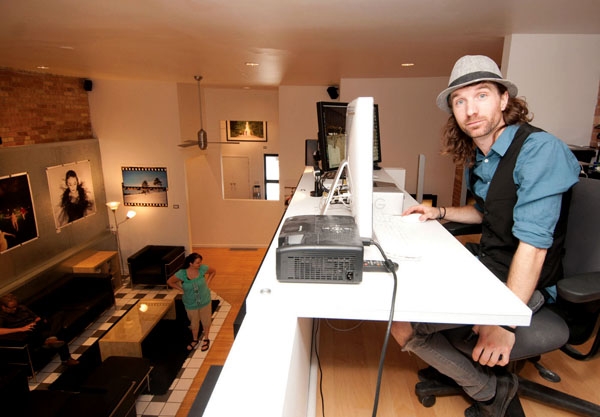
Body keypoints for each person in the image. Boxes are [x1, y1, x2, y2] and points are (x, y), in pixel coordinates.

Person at [390, 55, 580, 417]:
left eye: (481, 95)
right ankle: (461, 369)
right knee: (412, 285)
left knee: (403, 324)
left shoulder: (539, 150)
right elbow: (486, 210)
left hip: (530, 282)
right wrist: (439, 212)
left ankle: (491, 394)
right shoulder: (485, 156)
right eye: (459, 101)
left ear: (504, 99)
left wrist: (505, 320)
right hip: (490, 266)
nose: (471, 110)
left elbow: (534, 247)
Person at [0, 293, 79, 366]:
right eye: (12, 307)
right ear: (3, 307)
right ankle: (65, 358)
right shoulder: (2, 316)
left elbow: (36, 317)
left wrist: (37, 321)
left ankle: (50, 339)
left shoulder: (22, 308)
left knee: (59, 315)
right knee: (58, 334)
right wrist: (21, 329)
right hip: (25, 333)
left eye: (16, 306)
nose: (15, 309)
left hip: (36, 326)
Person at [167, 253, 216, 352]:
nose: (200, 264)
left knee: (206, 320)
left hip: (205, 300)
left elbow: (213, 271)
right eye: (197, 263)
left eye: (200, 262)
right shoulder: (182, 273)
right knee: (194, 322)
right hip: (190, 303)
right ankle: (195, 339)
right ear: (190, 263)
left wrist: (207, 284)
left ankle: (206, 338)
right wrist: (181, 289)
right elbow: (170, 282)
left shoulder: (202, 269)